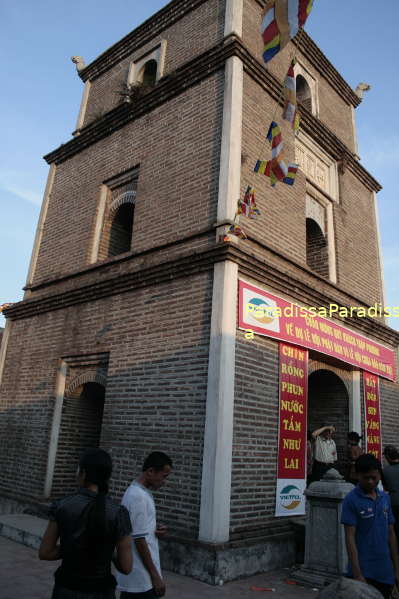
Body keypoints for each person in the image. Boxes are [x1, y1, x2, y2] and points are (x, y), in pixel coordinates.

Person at [39, 448, 133, 599]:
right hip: (101, 592)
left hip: (66, 589)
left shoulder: (62, 505)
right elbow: (126, 567)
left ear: (82, 473)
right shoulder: (118, 513)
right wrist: (106, 552)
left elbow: (45, 552)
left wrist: (74, 547)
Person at [341, 453, 399, 599]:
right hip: (364, 572)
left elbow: (391, 534)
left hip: (385, 572)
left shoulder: (385, 498)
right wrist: (357, 574)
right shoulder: (351, 500)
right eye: (366, 478)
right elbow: (350, 537)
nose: (371, 481)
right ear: (357, 475)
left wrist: (396, 569)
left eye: (374, 477)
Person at [117, 451, 173, 598]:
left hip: (140, 576)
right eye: (164, 476)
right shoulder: (137, 496)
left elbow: (138, 528)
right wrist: (155, 576)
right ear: (150, 471)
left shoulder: (141, 493)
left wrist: (153, 527)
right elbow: (139, 539)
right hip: (140, 578)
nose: (164, 481)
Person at [382, 445, 399, 542]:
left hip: (393, 503)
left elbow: (385, 487)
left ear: (388, 457)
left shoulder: (385, 471)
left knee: (394, 530)